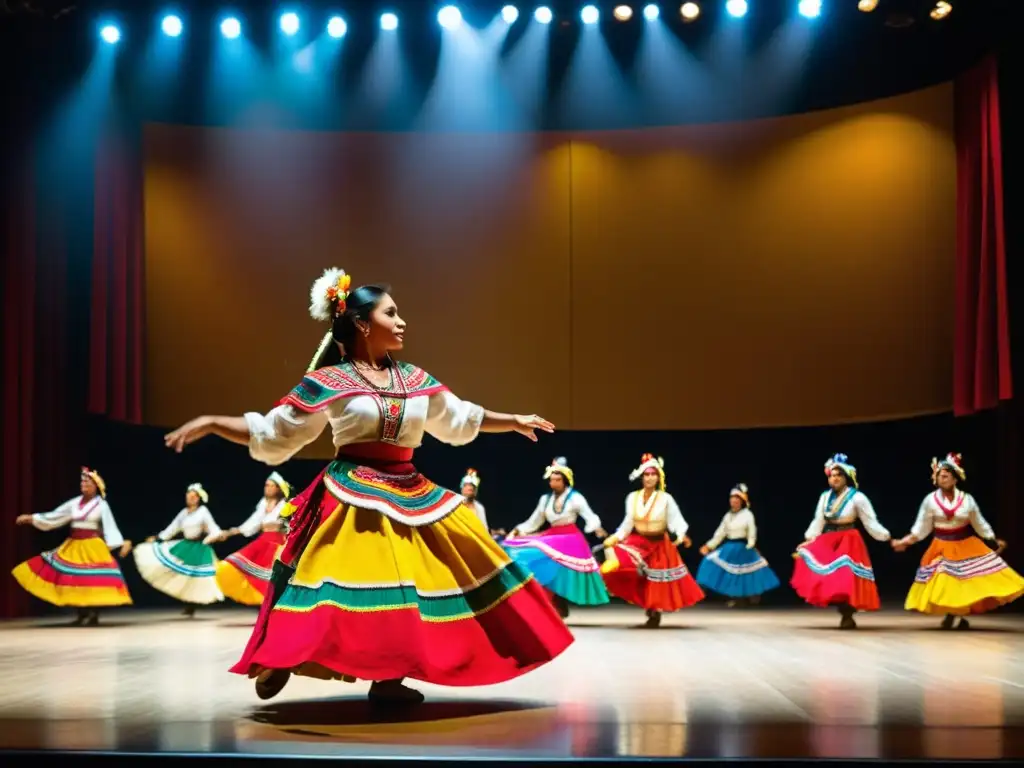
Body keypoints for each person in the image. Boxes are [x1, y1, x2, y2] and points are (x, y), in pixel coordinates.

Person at [163, 267, 572, 705]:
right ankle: (283, 654)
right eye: (391, 313)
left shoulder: (413, 380)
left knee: (408, 585)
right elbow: (275, 430)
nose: (402, 322)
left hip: (408, 487)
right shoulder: (330, 382)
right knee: (329, 584)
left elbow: (458, 418)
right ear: (361, 323)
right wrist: (210, 423)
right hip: (351, 493)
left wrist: (513, 421)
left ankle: (389, 679)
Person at [892, 453, 1024, 629]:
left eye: (947, 474)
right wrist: (906, 541)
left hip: (965, 544)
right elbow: (921, 527)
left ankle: (959, 614)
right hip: (941, 545)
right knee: (944, 575)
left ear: (955, 478)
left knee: (965, 581)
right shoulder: (930, 500)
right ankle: (952, 614)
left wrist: (992, 539)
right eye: (940, 474)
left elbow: (979, 523)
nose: (943, 476)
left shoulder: (967, 500)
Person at [12, 467, 132, 626]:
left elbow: (110, 526)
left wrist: (117, 544)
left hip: (92, 546)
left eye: (87, 482)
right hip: (74, 544)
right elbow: (56, 515)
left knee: (92, 580)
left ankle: (93, 613)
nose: (83, 484)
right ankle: (82, 613)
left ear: (96, 486)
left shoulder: (101, 505)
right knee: (74, 579)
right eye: (82, 481)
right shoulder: (75, 503)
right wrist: (32, 518)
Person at [600, 454, 703, 628]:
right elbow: (628, 523)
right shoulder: (632, 498)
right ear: (641, 477)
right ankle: (648, 607)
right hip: (639, 542)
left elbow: (676, 520)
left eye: (653, 474)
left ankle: (654, 612)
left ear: (658, 477)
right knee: (622, 564)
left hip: (659, 544)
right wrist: (616, 537)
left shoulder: (665, 499)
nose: (649, 478)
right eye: (646, 475)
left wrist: (680, 535)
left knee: (656, 581)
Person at [791, 453, 891, 629]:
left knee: (846, 576)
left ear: (846, 477)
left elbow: (870, 521)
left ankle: (848, 614)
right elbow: (818, 520)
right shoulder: (824, 497)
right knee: (822, 569)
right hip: (828, 539)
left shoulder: (857, 497)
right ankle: (843, 609)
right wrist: (809, 539)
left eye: (839, 475)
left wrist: (885, 536)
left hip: (848, 540)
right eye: (832, 475)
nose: (835, 478)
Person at [503, 457, 610, 618]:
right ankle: (553, 603)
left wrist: (596, 528)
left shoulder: (575, 498)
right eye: (552, 480)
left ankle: (558, 602)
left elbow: (589, 515)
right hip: (552, 536)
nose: (554, 483)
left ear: (565, 480)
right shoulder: (545, 500)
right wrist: (519, 530)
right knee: (530, 554)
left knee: (558, 569)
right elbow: (535, 521)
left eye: (558, 480)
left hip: (570, 538)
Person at [133, 483, 225, 616]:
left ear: (198, 498)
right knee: (184, 576)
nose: (190, 498)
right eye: (189, 496)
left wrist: (213, 536)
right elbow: (173, 528)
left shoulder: (203, 511)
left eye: (194, 496)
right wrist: (159, 537)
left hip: (199, 547)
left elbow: (213, 528)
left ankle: (193, 603)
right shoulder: (184, 513)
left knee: (198, 578)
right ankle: (189, 605)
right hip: (185, 545)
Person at [213, 472, 291, 606]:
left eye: (272, 486)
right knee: (232, 563)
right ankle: (263, 604)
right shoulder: (263, 503)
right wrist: (230, 532)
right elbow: (251, 524)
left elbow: (289, 524)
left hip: (278, 543)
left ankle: (272, 607)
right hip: (263, 541)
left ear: (279, 489)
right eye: (267, 485)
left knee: (273, 578)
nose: (269, 488)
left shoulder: (285, 504)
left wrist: (280, 526)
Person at [696, 484, 780, 607]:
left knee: (743, 572)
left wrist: (751, 545)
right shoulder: (728, 516)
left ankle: (746, 597)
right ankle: (702, 591)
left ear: (742, 501)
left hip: (743, 546)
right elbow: (720, 533)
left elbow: (752, 532)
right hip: (729, 546)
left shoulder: (747, 514)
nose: (734, 500)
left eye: (737, 498)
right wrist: (708, 546)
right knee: (709, 560)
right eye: (732, 498)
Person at [460, 468, 505, 540]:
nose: (469, 488)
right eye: (466, 486)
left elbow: (485, 530)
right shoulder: (455, 506)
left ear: (475, 492)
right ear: (462, 489)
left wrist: (496, 532)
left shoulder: (479, 508)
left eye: (472, 487)